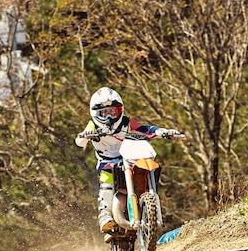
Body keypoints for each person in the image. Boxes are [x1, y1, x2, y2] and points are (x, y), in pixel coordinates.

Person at [75, 87, 180, 233]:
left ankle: (148, 206)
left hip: (128, 157)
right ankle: (105, 216)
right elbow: (79, 142)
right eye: (104, 113)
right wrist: (86, 135)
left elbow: (146, 129)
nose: (109, 117)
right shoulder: (92, 126)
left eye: (112, 111)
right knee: (106, 184)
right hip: (107, 162)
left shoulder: (126, 122)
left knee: (144, 170)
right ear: (96, 113)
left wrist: (164, 132)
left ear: (119, 110)